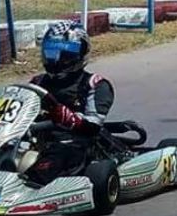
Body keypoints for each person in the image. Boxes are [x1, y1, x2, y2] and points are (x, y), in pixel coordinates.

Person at [26, 21, 115, 186]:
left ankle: (30, 184)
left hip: (76, 142)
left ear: (80, 53)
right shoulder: (37, 82)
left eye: (65, 54)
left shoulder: (94, 84)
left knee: (59, 153)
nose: (57, 59)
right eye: (52, 52)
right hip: (38, 138)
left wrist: (70, 119)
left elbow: (94, 125)